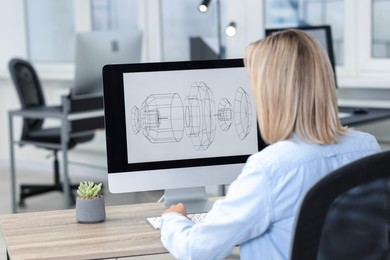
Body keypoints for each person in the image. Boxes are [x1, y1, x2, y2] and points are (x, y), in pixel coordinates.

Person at [159, 29, 381, 259]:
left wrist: (172, 219)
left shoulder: (271, 168)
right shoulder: (367, 148)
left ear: (270, 93)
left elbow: (196, 250)